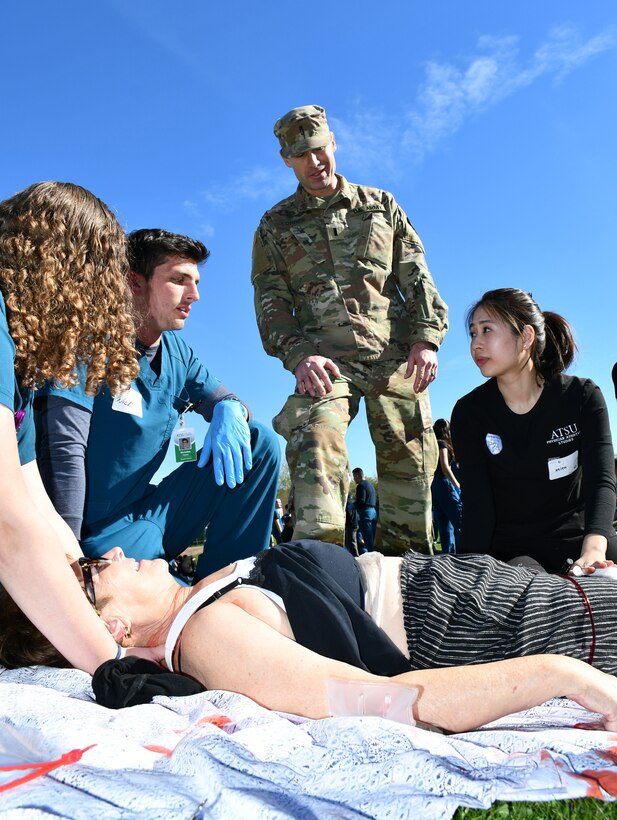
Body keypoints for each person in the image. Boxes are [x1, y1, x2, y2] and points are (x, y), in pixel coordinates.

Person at [5, 541, 617, 734]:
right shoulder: (207, 634)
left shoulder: (194, 604)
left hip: (464, 591)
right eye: (93, 570)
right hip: (469, 621)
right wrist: (564, 676)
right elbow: (382, 701)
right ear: (109, 627)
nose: (111, 550)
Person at [251, 105, 448, 555]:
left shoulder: (380, 206)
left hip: (393, 354)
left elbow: (416, 276)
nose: (314, 162)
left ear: (334, 143)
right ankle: (320, 573)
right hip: (324, 364)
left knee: (412, 469)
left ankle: (407, 582)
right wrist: (299, 355)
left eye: (320, 149)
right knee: (315, 440)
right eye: (301, 155)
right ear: (286, 160)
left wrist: (425, 339)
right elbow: (271, 301)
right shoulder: (275, 226)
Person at [37, 228, 281, 579]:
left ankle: (228, 587)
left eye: (195, 281)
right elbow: (63, 450)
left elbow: (224, 398)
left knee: (260, 442)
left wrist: (231, 409)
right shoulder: (89, 340)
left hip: (153, 513)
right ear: (135, 283)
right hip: (97, 532)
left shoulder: (178, 354)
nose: (194, 295)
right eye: (179, 280)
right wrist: (67, 562)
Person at [0, 180, 161, 673]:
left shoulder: (20, 377)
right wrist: (110, 663)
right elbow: (8, 523)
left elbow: (37, 505)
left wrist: (87, 592)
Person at [451, 288, 617, 573]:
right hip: (515, 550)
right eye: (472, 333)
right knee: (532, 597)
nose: (476, 344)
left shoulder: (582, 397)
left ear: (526, 337)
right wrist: (466, 571)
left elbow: (601, 480)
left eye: (487, 330)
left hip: (582, 537)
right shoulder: (469, 413)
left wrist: (593, 549)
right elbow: (477, 506)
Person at [430, 419, 462, 554]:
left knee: (444, 525)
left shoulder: (431, 445)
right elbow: (445, 467)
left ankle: (447, 557)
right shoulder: (442, 444)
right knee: (460, 521)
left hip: (434, 485)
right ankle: (464, 554)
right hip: (444, 483)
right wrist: (457, 484)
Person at [352, 467, 377, 552]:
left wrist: (352, 505)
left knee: (367, 538)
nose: (354, 479)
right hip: (373, 512)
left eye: (354, 477)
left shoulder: (361, 486)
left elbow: (361, 501)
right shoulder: (371, 485)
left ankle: (371, 557)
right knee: (372, 537)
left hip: (366, 513)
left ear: (358, 475)